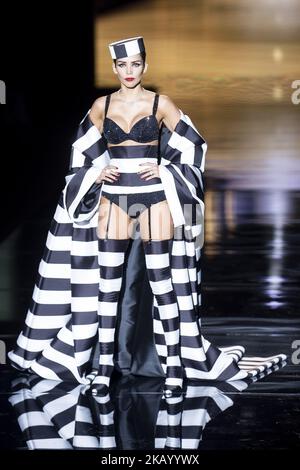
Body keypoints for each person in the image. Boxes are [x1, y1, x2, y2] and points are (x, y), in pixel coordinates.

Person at [8, 36, 287, 397]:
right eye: (122, 66)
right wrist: (95, 173)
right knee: (107, 289)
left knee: (163, 284)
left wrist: (166, 171)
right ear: (114, 68)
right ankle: (105, 367)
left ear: (144, 66)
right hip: (114, 200)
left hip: (155, 199)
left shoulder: (161, 104)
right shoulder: (100, 107)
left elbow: (193, 146)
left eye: (135, 65)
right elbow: (80, 154)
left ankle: (173, 369)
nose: (129, 71)